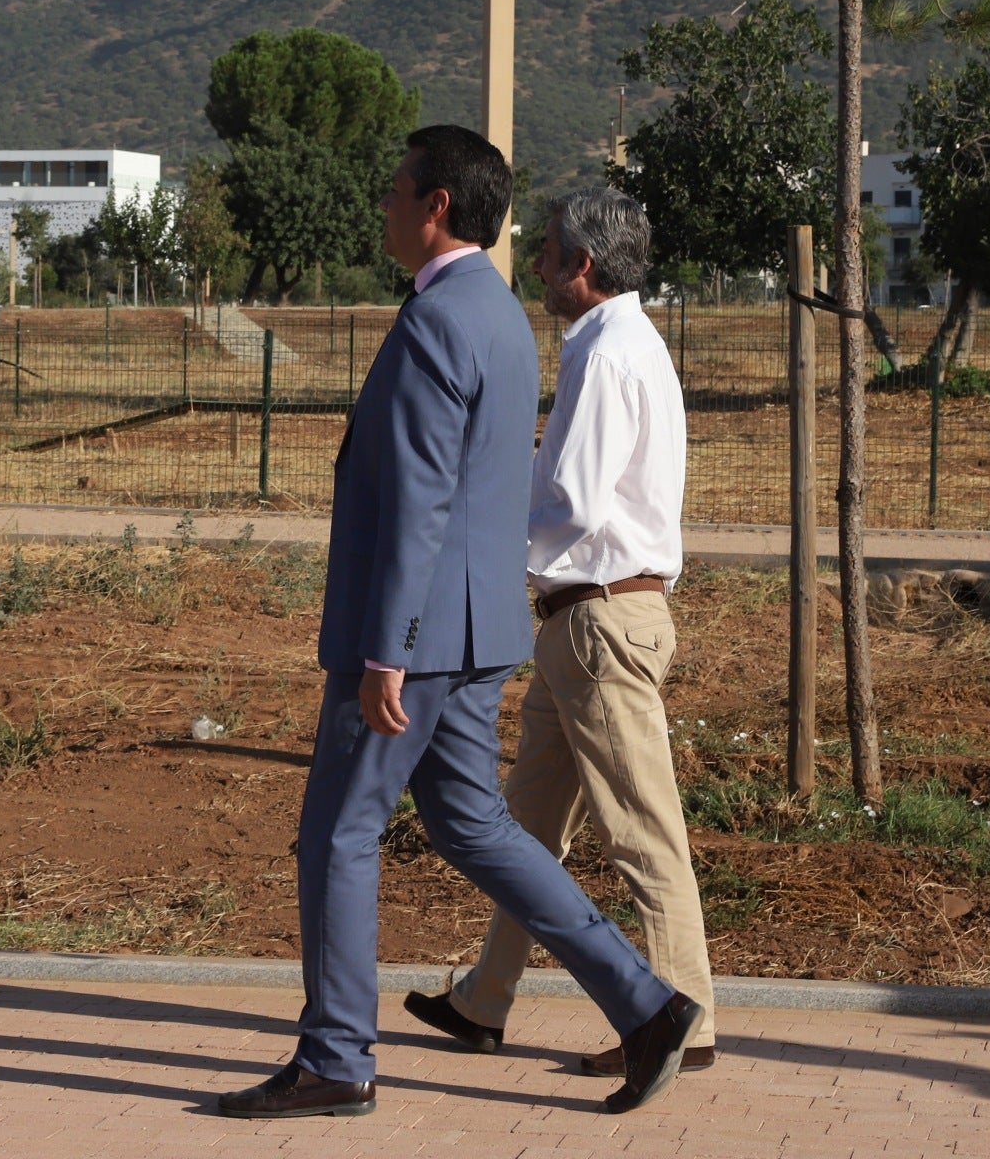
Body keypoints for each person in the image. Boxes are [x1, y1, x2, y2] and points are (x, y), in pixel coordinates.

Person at [217, 128, 702, 1121]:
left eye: (394, 190)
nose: (383, 205)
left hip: (414, 636)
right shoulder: (498, 317)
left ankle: (338, 1058)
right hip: (480, 633)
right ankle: (646, 1004)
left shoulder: (440, 318)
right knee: (473, 825)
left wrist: (384, 647)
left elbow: (421, 497)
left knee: (338, 838)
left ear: (435, 205)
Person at [404, 187, 717, 1076]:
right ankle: (483, 1001)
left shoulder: (602, 355)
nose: (535, 266)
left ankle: (678, 1017)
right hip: (599, 618)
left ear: (582, 265)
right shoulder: (635, 343)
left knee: (643, 831)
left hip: (598, 619)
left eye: (545, 253)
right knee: (529, 828)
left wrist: (482, 538)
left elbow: (570, 498)